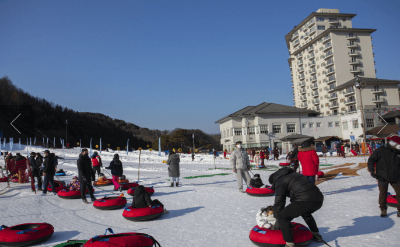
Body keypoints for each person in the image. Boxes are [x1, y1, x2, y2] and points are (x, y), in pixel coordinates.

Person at [269, 167, 324, 247]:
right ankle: (316, 234)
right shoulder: (294, 174)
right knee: (305, 212)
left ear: (273, 181)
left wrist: (277, 217)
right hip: (318, 198)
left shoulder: (279, 181)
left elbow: (280, 202)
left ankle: (289, 244)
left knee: (282, 217)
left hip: (304, 199)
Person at [367, 135, 400, 218]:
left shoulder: (398, 152)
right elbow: (371, 159)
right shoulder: (381, 150)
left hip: (396, 177)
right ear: (394, 143)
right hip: (382, 176)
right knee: (383, 194)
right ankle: (383, 210)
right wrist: (371, 170)